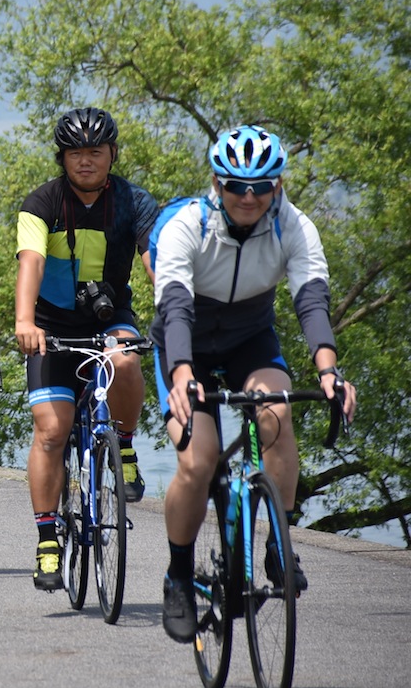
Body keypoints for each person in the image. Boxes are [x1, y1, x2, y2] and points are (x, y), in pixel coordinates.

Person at [152, 125, 357, 643]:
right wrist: (180, 376)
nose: (249, 197)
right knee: (198, 461)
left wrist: (328, 372)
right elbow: (175, 307)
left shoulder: (293, 226)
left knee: (277, 412)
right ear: (217, 185)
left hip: (249, 338)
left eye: (261, 186)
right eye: (236, 185)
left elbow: (311, 298)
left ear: (278, 186)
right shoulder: (186, 225)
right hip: (187, 346)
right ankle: (178, 577)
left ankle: (278, 542)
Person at [15, 107, 160, 591]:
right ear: (62, 158)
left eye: (95, 152)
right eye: (75, 153)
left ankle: (123, 444)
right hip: (50, 328)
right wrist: (23, 320)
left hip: (109, 318)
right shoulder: (42, 203)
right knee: (52, 433)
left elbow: (154, 258)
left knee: (126, 357)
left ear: (112, 155)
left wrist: (174, 311)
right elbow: (31, 261)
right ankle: (48, 543)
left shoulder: (134, 202)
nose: (85, 161)